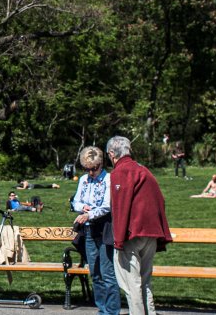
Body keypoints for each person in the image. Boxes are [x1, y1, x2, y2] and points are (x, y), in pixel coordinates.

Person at [107, 135, 172, 315]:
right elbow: (160, 200)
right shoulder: (144, 170)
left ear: (112, 153)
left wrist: (118, 240)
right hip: (151, 234)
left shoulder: (120, 172)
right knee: (145, 283)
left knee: (131, 285)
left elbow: (120, 207)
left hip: (131, 235)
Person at [71, 146, 121, 315]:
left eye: (94, 168)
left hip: (104, 230)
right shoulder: (83, 180)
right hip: (89, 231)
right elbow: (76, 201)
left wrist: (89, 214)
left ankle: (112, 311)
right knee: (95, 273)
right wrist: (81, 207)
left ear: (101, 164)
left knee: (108, 273)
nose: (91, 172)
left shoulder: (109, 179)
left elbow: (107, 206)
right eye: (87, 169)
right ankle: (102, 309)